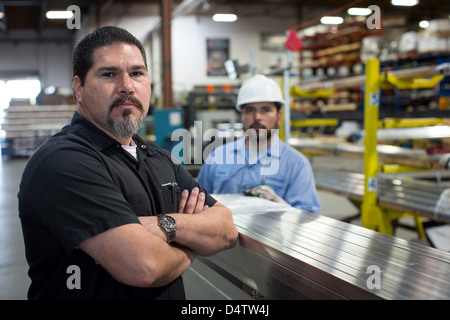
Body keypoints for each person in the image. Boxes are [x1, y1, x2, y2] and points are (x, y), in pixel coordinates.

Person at [18, 26, 238, 300]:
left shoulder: (158, 158)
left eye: (136, 73)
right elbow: (144, 266)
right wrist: (193, 242)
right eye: (109, 74)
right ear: (79, 88)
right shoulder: (62, 161)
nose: (127, 86)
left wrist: (166, 226)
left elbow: (227, 229)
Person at [197, 74, 321, 214]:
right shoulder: (218, 156)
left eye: (266, 110)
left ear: (279, 117)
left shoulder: (296, 164)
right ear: (242, 116)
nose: (257, 117)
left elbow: (308, 219)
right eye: (250, 110)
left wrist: (280, 204)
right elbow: (197, 204)